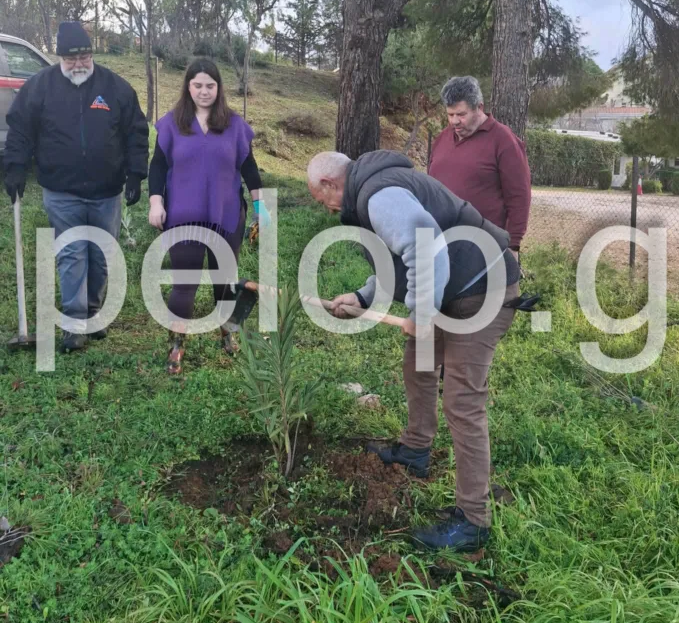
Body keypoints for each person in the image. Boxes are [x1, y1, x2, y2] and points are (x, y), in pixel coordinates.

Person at [307, 149, 521, 552]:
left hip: (482, 290)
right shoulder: (374, 189)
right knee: (418, 362)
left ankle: (473, 521)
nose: (326, 208)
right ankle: (415, 450)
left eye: (322, 200)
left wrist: (421, 316)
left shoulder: (377, 194)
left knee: (462, 400)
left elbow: (425, 248)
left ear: (329, 184)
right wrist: (361, 296)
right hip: (453, 288)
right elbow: (400, 260)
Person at [3, 20, 148, 352]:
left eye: (84, 56)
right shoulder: (39, 88)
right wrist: (14, 168)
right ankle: (73, 324)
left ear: (91, 54)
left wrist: (136, 174)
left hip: (106, 191)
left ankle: (93, 313)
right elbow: (20, 131)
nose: (79, 63)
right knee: (72, 255)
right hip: (61, 189)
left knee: (100, 256)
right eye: (71, 58)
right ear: (59, 58)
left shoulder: (116, 88)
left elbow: (136, 133)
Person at [148, 58, 269, 375]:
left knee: (224, 280)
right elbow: (158, 166)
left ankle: (228, 331)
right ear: (188, 87)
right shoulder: (172, 123)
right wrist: (155, 203)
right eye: (198, 85)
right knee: (184, 283)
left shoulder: (234, 125)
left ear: (219, 88)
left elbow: (250, 169)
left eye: (210, 86)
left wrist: (261, 210)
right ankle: (177, 342)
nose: (204, 91)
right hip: (182, 215)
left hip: (226, 215)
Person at [428, 76, 531, 259]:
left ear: (480, 107)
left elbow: (519, 197)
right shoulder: (442, 139)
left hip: (486, 250)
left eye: (461, 114)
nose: (455, 121)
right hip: (443, 247)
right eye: (450, 115)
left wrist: (512, 246)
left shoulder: (503, 140)